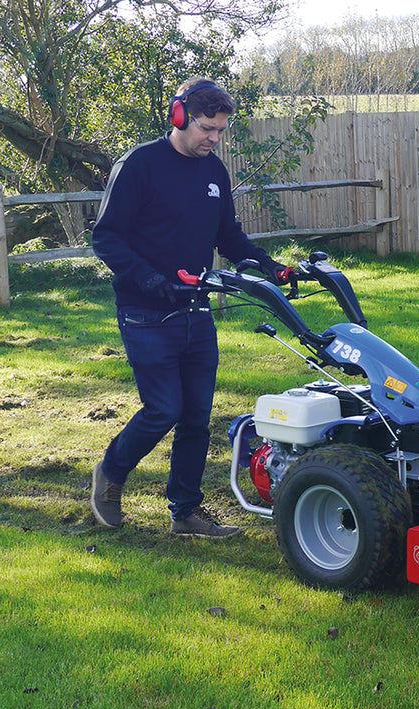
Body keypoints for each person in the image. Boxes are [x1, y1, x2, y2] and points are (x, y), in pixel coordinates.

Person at [90, 77, 292, 537]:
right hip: (145, 312)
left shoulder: (214, 172)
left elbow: (229, 237)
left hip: (196, 310)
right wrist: (148, 279)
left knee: (197, 417)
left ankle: (185, 513)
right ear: (179, 116)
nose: (214, 139)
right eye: (206, 129)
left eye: (220, 131)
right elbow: (106, 236)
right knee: (163, 410)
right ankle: (111, 473)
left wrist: (270, 266)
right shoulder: (140, 165)